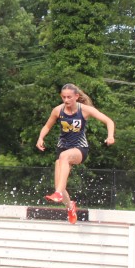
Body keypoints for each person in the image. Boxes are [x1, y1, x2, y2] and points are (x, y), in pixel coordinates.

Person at [36, 83, 116, 225]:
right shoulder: (58, 110)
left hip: (79, 149)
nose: (66, 100)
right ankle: (70, 207)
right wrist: (41, 138)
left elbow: (108, 121)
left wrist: (110, 136)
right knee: (59, 185)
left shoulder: (84, 110)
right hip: (62, 148)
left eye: (69, 97)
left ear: (76, 97)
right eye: (63, 97)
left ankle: (58, 193)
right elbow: (47, 126)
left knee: (64, 158)